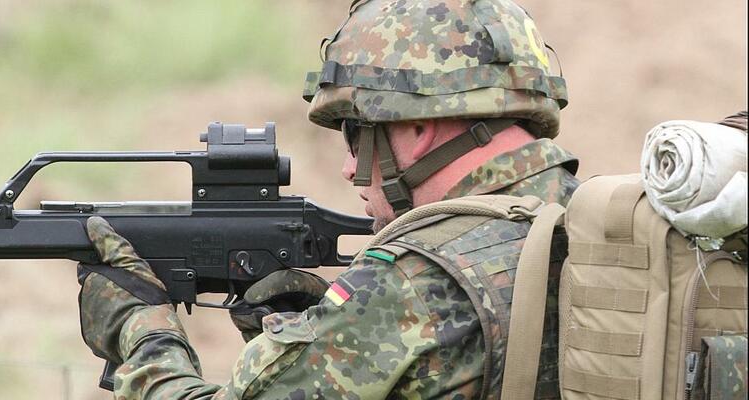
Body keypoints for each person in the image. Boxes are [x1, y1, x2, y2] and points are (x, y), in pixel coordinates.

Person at [76, 0, 579, 398]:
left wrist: (142, 328)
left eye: (355, 136)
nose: (347, 167)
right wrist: (310, 337)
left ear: (420, 127)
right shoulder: (591, 219)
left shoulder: (408, 281)